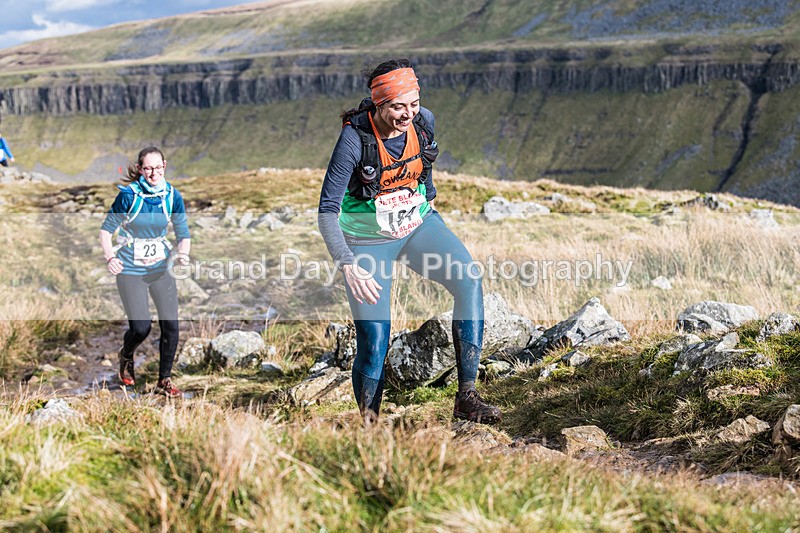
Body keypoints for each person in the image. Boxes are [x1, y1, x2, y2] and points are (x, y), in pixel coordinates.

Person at [318, 58, 501, 423]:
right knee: (374, 340)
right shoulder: (354, 140)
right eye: (398, 107)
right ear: (378, 104)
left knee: (469, 281)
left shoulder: (424, 120)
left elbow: (426, 163)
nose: (407, 114)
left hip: (417, 226)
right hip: (367, 242)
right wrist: (348, 265)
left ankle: (467, 398)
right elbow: (326, 212)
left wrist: (429, 199)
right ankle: (369, 428)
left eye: (413, 104)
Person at [99, 146, 190, 397]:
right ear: (140, 169)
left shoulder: (172, 195)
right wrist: (110, 258)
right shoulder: (129, 196)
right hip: (130, 269)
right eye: (148, 168)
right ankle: (126, 354)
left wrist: (183, 254)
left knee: (171, 325)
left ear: (165, 165)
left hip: (161, 268)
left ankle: (164, 381)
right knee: (141, 328)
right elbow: (106, 231)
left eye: (158, 168)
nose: (154, 173)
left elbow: (183, 232)